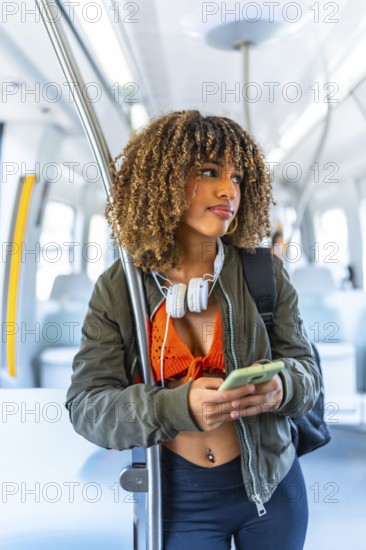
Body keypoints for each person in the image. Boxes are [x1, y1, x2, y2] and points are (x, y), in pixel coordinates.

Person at [66, 110, 321, 549]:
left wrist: (282, 385)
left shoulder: (264, 274)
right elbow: (88, 406)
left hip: (272, 486)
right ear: (161, 181)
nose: (229, 190)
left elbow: (307, 372)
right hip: (178, 499)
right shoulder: (121, 287)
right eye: (208, 172)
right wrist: (176, 407)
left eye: (238, 178)